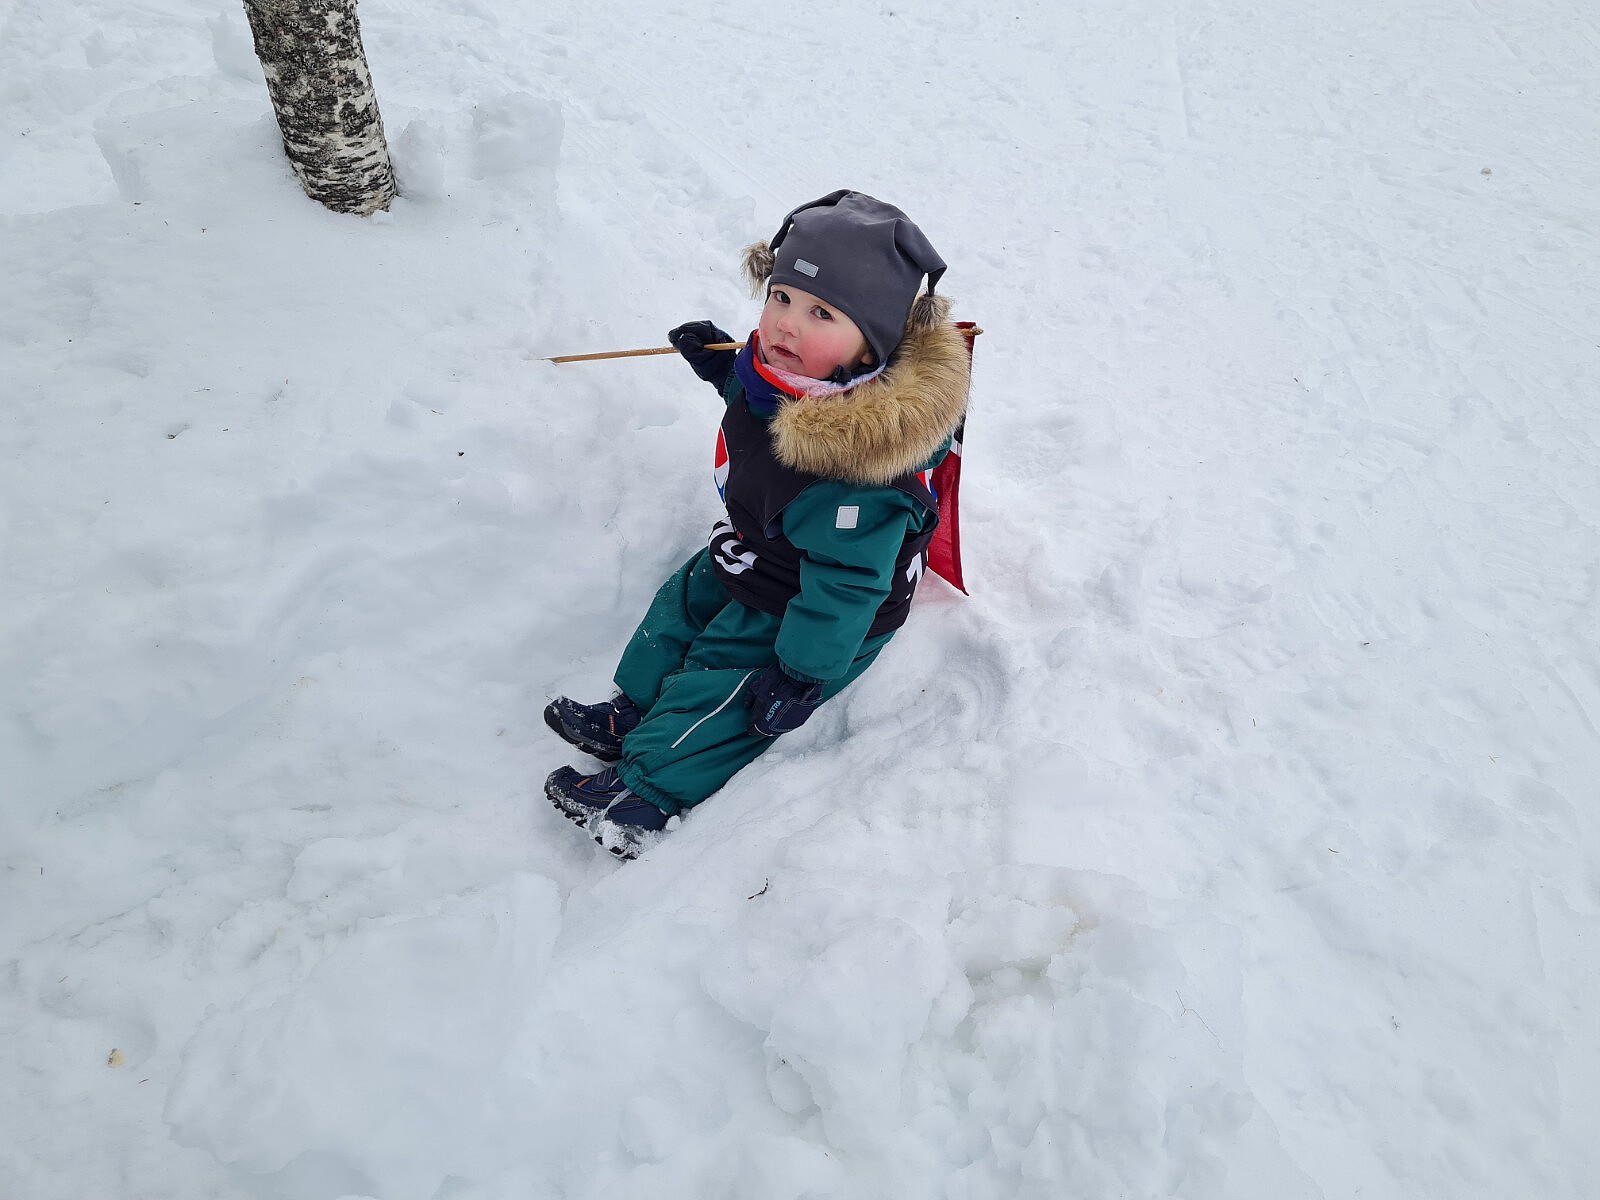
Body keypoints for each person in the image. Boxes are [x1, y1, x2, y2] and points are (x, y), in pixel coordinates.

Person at [543, 190, 971, 858]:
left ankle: (645, 793)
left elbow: (850, 583)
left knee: (727, 676)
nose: (786, 326)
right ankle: (633, 712)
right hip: (763, 548)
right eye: (781, 297)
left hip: (818, 607)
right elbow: (763, 412)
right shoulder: (787, 375)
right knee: (681, 608)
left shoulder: (862, 472)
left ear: (871, 350)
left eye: (821, 313)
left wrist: (801, 673)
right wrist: (723, 369)